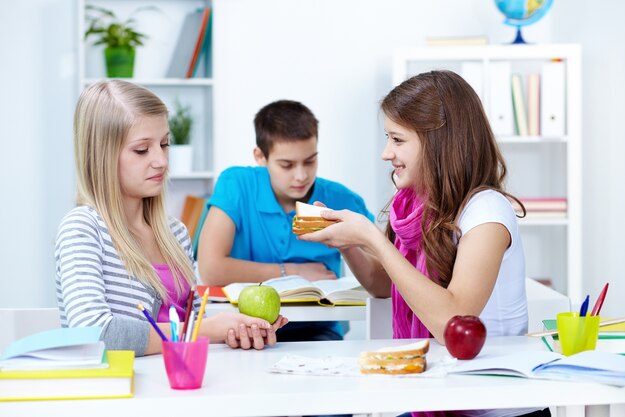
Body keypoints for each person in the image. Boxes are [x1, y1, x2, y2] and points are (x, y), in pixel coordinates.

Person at [300, 71, 550, 417]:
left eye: (397, 140)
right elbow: (382, 285)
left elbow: (453, 320)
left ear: (438, 143)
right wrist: (347, 243)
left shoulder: (487, 211)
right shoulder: (414, 206)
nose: (386, 153)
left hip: (491, 407)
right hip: (442, 392)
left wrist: (372, 237)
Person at [55, 80, 288, 357]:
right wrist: (208, 330)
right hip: (126, 393)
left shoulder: (174, 233)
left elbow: (190, 323)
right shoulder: (83, 229)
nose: (161, 161)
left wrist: (235, 329)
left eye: (164, 144)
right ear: (101, 156)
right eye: (142, 150)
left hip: (181, 384)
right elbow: (94, 334)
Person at [197, 99, 374, 342]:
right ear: (260, 156)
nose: (301, 176)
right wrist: (293, 272)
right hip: (242, 329)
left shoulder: (341, 198)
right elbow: (210, 269)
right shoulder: (236, 184)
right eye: (287, 165)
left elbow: (383, 270)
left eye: (310, 161)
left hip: (318, 333)